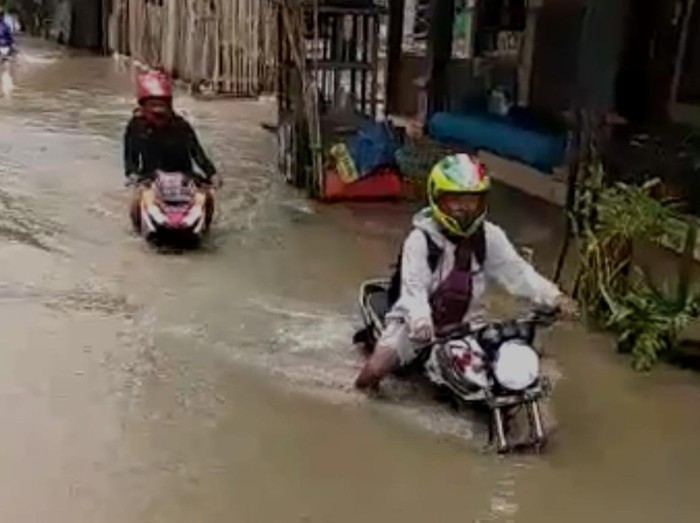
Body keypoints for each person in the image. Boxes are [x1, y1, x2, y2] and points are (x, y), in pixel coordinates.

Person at [355, 153, 577, 390]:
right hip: (415, 326)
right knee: (376, 369)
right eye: (456, 200)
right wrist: (420, 320)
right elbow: (413, 290)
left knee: (524, 366)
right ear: (438, 199)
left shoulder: (490, 236)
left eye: (471, 200)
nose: (464, 208)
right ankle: (359, 396)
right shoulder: (419, 240)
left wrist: (555, 298)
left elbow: (518, 273)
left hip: (468, 324)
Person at [123, 69, 221, 229]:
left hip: (184, 177)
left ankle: (206, 230)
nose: (159, 111)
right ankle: (137, 233)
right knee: (136, 201)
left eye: (163, 105)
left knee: (207, 198)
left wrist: (212, 174)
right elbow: (130, 160)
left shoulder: (181, 125)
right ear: (143, 106)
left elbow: (197, 153)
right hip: (151, 177)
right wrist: (133, 176)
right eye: (153, 105)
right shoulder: (135, 127)